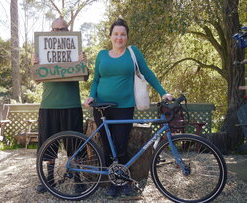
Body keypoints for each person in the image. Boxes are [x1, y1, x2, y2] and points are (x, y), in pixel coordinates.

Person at [84, 18, 173, 197]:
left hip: (124, 106)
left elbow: (147, 72)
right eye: (116, 34)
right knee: (108, 148)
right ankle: (112, 182)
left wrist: (163, 93)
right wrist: (91, 95)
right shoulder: (101, 55)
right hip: (101, 107)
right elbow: (96, 80)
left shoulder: (132, 53)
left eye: (123, 34)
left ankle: (123, 181)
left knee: (121, 145)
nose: (119, 37)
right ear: (110, 36)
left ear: (127, 37)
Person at [32, 17, 87, 193]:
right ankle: (49, 179)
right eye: (54, 29)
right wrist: (35, 66)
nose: (58, 32)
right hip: (48, 105)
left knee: (75, 145)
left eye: (61, 29)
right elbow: (36, 81)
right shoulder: (42, 50)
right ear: (51, 30)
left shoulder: (76, 48)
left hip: (71, 105)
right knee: (48, 145)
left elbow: (85, 77)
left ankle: (78, 180)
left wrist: (83, 64)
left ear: (67, 30)